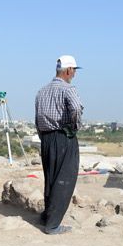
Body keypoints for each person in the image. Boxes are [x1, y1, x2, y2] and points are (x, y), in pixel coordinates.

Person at [34, 55, 84, 235]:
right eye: (74, 71)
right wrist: (74, 126)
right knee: (64, 180)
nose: (74, 74)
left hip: (46, 138)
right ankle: (53, 225)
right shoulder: (68, 89)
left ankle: (47, 215)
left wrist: (44, 137)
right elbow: (77, 108)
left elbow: (37, 118)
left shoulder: (42, 91)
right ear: (69, 70)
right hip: (64, 136)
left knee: (51, 178)